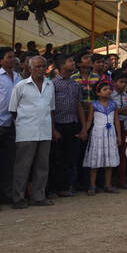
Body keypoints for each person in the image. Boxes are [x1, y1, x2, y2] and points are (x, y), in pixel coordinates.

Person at [9, 55, 55, 208]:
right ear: (30, 68)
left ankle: (38, 196)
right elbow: (13, 111)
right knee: (23, 166)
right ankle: (18, 198)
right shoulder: (21, 86)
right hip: (26, 131)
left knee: (42, 166)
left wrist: (52, 128)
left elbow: (51, 109)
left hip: (45, 130)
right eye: (37, 66)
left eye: (43, 66)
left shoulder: (50, 85)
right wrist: (26, 122)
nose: (41, 69)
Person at [0, 48, 21, 204]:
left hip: (13, 123)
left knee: (8, 161)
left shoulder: (18, 77)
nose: (12, 60)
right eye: (8, 57)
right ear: (0, 60)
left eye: (13, 57)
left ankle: (6, 193)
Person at [49, 54, 83, 197]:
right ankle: (52, 188)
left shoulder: (75, 84)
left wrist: (83, 127)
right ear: (62, 65)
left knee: (70, 157)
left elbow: (79, 105)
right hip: (58, 124)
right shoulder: (52, 84)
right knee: (56, 158)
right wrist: (53, 129)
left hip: (72, 123)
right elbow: (49, 108)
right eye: (70, 61)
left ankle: (65, 187)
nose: (73, 63)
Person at [82, 80, 121, 195]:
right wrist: (84, 131)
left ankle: (108, 184)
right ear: (98, 93)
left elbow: (116, 121)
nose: (108, 91)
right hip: (98, 134)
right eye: (105, 89)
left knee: (109, 161)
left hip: (110, 134)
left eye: (109, 89)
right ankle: (92, 185)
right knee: (95, 160)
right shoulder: (94, 105)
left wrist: (119, 136)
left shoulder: (113, 105)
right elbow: (89, 120)